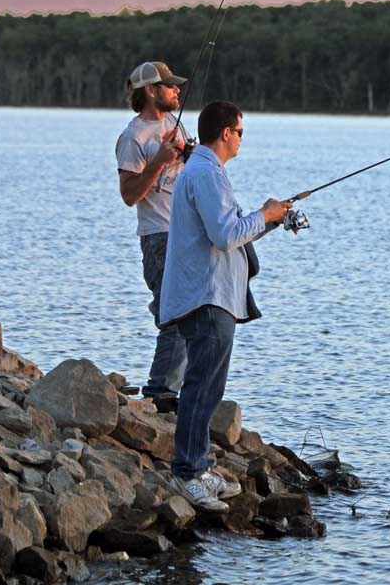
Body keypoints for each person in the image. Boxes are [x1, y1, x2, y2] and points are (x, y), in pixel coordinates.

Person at [159, 100, 293, 513]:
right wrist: (263, 214)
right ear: (225, 133)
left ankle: (198, 466)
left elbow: (232, 234)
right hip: (207, 295)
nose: (241, 139)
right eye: (240, 132)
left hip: (212, 294)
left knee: (209, 385)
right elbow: (224, 234)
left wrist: (270, 220)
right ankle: (187, 473)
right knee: (201, 384)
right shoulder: (205, 174)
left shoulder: (204, 173)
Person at [115, 60, 193, 411]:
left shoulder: (176, 125)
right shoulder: (133, 137)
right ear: (150, 90)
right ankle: (160, 393)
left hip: (187, 234)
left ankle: (172, 391)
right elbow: (129, 194)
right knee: (174, 315)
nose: (177, 90)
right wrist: (160, 160)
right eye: (170, 85)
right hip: (158, 238)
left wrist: (189, 155)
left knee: (191, 314)